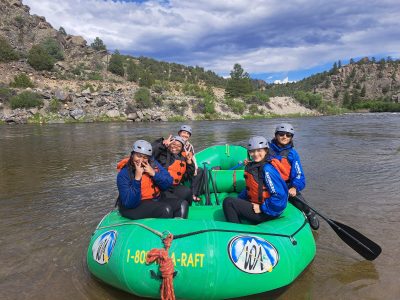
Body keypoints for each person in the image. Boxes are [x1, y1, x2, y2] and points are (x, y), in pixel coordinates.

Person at [223, 136, 289, 224]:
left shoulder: (267, 169)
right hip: (262, 206)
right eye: (252, 151)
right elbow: (251, 189)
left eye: (259, 150)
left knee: (229, 202)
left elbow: (279, 196)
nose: (255, 154)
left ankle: (236, 231)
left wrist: (262, 208)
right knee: (234, 202)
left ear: (266, 151)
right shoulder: (255, 166)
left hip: (268, 212)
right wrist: (240, 200)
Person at [116, 140, 188, 220]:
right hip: (134, 206)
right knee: (165, 209)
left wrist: (154, 174)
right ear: (132, 155)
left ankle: (176, 231)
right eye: (138, 156)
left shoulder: (153, 164)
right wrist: (137, 179)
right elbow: (130, 203)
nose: (141, 160)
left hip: (154, 199)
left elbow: (168, 183)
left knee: (182, 204)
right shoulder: (124, 174)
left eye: (145, 157)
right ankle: (163, 231)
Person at [269, 123, 319, 230]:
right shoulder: (267, 150)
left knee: (301, 202)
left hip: (287, 185)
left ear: (291, 137)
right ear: (276, 135)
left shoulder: (292, 153)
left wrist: (294, 187)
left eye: (288, 135)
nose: (285, 137)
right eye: (281, 134)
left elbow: (299, 173)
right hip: (271, 183)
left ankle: (309, 213)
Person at [152, 135, 195, 207]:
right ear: (169, 144)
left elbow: (189, 175)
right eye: (173, 144)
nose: (175, 147)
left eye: (179, 146)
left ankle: (189, 209)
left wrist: (189, 162)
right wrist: (162, 145)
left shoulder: (183, 158)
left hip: (173, 186)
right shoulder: (161, 154)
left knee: (187, 192)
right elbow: (150, 153)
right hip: (160, 186)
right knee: (177, 202)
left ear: (181, 148)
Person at [177, 125, 203, 202]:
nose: (185, 135)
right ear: (179, 133)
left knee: (200, 171)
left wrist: (195, 168)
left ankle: (194, 193)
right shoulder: (175, 143)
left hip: (187, 168)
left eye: (188, 134)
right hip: (177, 168)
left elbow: (193, 157)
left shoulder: (190, 146)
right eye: (184, 132)